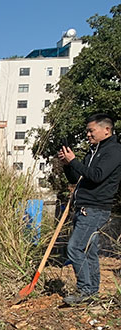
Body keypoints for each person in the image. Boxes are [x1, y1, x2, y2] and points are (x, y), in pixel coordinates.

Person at [59, 113, 121, 305]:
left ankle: (85, 291)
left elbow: (96, 175)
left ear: (106, 130)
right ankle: (92, 291)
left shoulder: (114, 151)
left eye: (91, 130)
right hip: (83, 207)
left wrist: (74, 161)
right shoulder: (94, 151)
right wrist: (68, 165)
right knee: (89, 251)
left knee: (75, 248)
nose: (88, 134)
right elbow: (77, 177)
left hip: (95, 208)